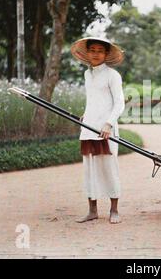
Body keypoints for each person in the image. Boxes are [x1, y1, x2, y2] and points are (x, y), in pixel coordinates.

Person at [70, 37, 125, 224]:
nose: (95, 53)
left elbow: (119, 103)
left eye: (99, 50)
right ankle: (92, 210)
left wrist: (109, 124)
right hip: (88, 128)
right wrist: (86, 115)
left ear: (106, 54)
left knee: (109, 168)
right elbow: (93, 100)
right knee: (90, 169)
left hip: (106, 130)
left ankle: (114, 210)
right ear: (87, 53)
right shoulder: (87, 75)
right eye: (92, 50)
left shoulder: (113, 75)